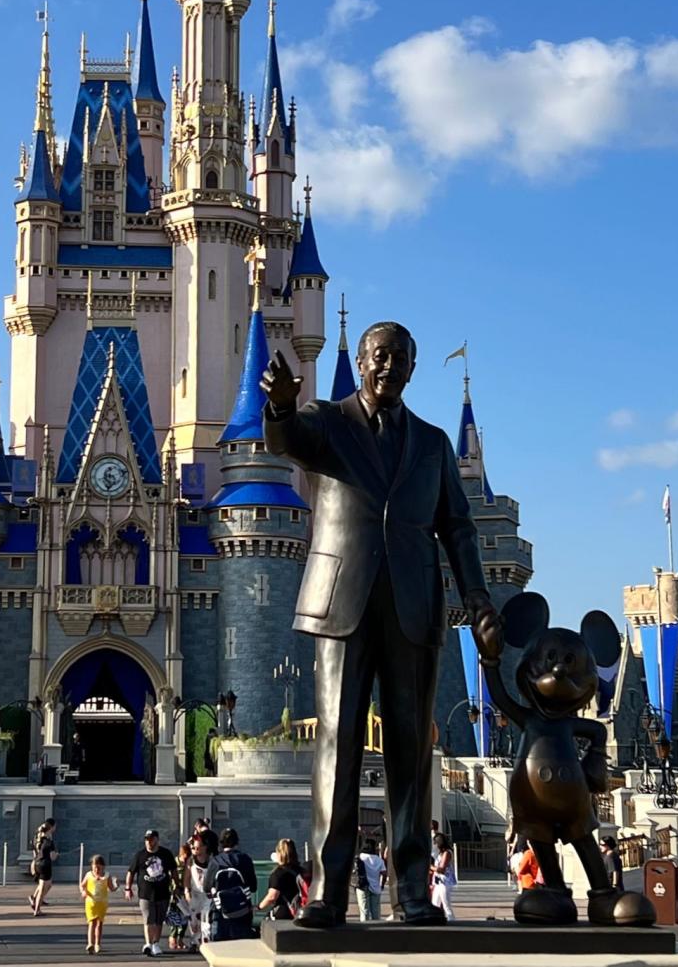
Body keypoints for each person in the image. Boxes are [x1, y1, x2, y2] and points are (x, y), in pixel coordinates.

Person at [262, 322, 502, 927]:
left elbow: (460, 526)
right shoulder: (327, 420)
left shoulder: (432, 442)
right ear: (363, 362)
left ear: (413, 370)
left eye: (400, 358)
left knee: (410, 751)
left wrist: (476, 598)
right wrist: (281, 406)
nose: (388, 366)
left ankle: (414, 892)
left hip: (415, 605)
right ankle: (328, 891)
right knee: (338, 745)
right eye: (379, 356)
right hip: (342, 601)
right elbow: (285, 440)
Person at [125, 827, 179, 956]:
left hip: (162, 893)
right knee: (148, 919)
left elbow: (174, 871)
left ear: (157, 840)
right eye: (147, 840)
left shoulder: (166, 854)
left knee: (159, 920)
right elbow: (131, 872)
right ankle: (148, 943)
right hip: (145, 893)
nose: (149, 842)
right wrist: (128, 888)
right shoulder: (140, 855)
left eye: (152, 840)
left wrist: (177, 886)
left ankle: (155, 943)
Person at [202, 827, 257, 942]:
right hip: (242, 910)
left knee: (220, 946)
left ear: (221, 843)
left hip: (220, 910)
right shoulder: (245, 859)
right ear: (237, 842)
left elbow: (206, 887)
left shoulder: (215, 861)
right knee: (242, 945)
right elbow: (253, 886)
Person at [80, 854, 119, 955]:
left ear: (103, 867)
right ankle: (90, 943)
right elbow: (82, 885)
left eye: (98, 867)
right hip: (90, 902)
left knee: (99, 923)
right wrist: (83, 892)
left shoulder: (107, 876)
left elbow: (111, 888)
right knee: (91, 922)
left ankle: (97, 944)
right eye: (94, 867)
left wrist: (116, 885)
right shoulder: (89, 875)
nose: (96, 869)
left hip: (102, 903)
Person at [259, 838, 303, 921]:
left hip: (284, 913)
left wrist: (259, 907)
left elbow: (272, 896)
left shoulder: (278, 873)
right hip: (300, 912)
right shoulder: (302, 871)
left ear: (279, 854)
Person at [185, 829, 216, 946]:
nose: (195, 850)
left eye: (198, 847)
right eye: (194, 848)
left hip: (207, 895)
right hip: (195, 894)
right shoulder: (191, 861)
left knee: (206, 918)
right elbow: (186, 878)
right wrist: (187, 891)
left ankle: (206, 941)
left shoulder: (212, 861)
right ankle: (194, 940)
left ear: (205, 847)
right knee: (193, 920)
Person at [28, 819, 57, 916]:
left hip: (37, 863)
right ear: (50, 829)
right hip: (45, 864)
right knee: (43, 887)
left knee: (47, 885)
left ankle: (35, 900)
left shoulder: (37, 838)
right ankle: (37, 908)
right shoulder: (49, 842)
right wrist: (56, 855)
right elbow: (52, 857)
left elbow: (34, 851)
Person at [354, 837, 386, 921]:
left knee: (364, 911)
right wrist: (382, 884)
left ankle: (365, 930)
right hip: (376, 888)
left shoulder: (360, 857)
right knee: (376, 912)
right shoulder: (379, 860)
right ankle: (376, 929)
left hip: (362, 886)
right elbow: (384, 873)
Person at [168, 844, 192, 950]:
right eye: (184, 857)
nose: (186, 859)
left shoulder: (190, 863)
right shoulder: (174, 863)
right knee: (175, 918)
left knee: (185, 918)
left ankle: (180, 939)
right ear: (181, 854)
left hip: (185, 895)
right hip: (174, 895)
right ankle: (173, 938)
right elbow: (169, 879)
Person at [429, 834, 456, 922]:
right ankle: (435, 920)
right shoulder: (440, 853)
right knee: (435, 904)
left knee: (446, 905)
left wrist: (430, 867)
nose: (435, 845)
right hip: (438, 883)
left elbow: (441, 869)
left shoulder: (447, 853)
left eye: (436, 842)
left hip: (445, 883)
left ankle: (452, 922)